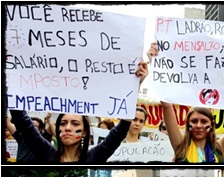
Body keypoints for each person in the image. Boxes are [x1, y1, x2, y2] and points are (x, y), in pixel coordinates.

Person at [8, 61, 148, 163]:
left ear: (85, 131)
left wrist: (135, 84)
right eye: (63, 123)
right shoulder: (47, 154)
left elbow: (117, 134)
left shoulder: (93, 157)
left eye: (75, 124)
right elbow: (24, 125)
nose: (68, 128)